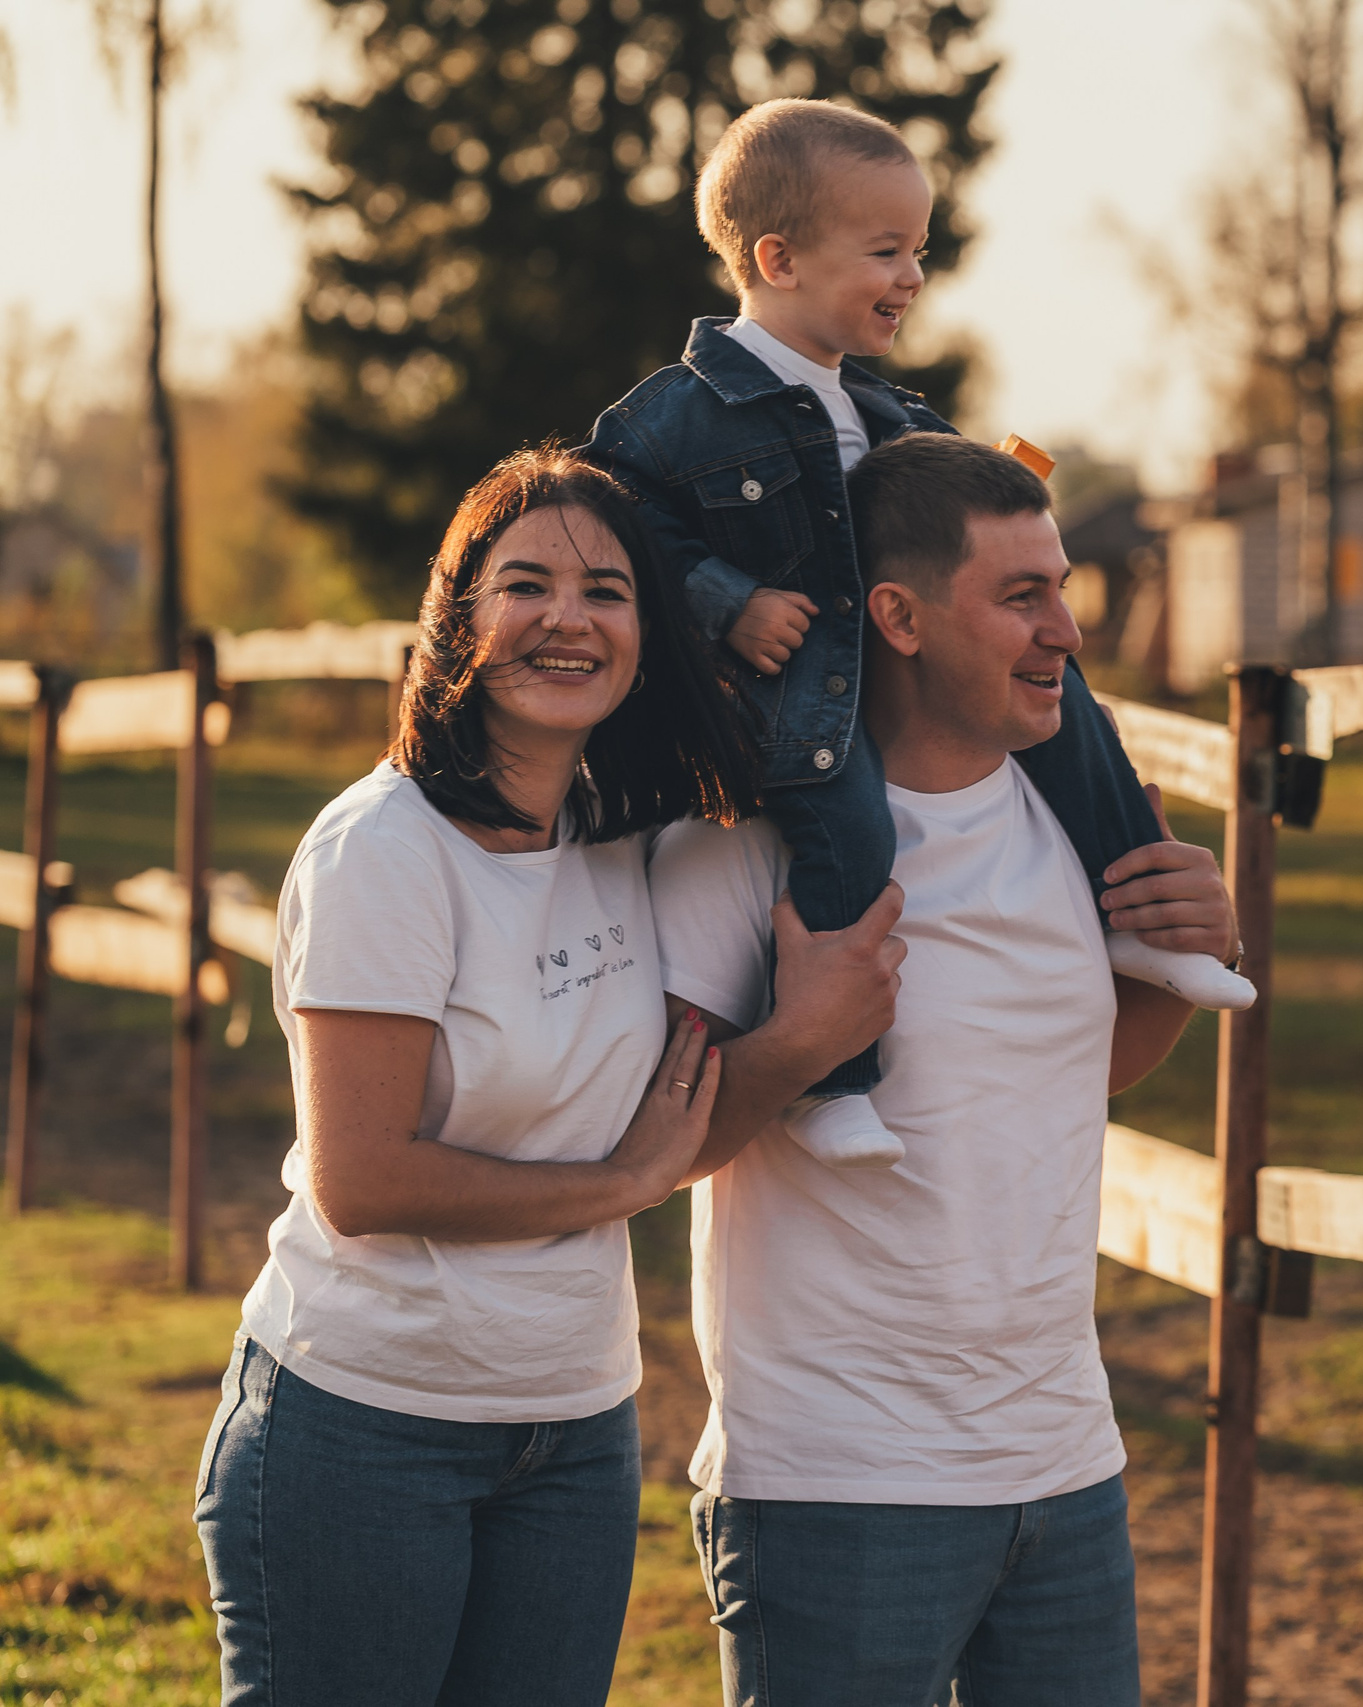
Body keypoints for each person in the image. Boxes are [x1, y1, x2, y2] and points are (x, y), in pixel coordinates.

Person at [192, 449, 907, 1706]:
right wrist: (618, 1184)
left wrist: (798, 1039)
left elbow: (668, 1129)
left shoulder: (626, 842)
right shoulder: (384, 851)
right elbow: (364, 1181)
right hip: (363, 1422)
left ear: (647, 636)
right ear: (457, 619)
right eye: (525, 584)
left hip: (574, 1428)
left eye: (609, 591)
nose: (569, 617)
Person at [649, 433, 1239, 1705]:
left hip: (1064, 1465)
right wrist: (805, 1038)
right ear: (899, 618)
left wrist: (1181, 957)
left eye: (1062, 587)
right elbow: (656, 1155)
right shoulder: (746, 851)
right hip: (836, 1485)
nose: (1066, 632)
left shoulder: (1074, 823)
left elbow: (1073, 1073)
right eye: (1021, 596)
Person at [585, 96, 1250, 1175]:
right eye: (886, 251)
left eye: (919, 251)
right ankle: (838, 1080)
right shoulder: (678, 415)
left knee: (1074, 706)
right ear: (778, 258)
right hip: (800, 707)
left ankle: (1143, 916)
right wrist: (726, 600)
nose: (912, 278)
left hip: (899, 693)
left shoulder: (895, 420)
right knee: (850, 832)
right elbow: (611, 522)